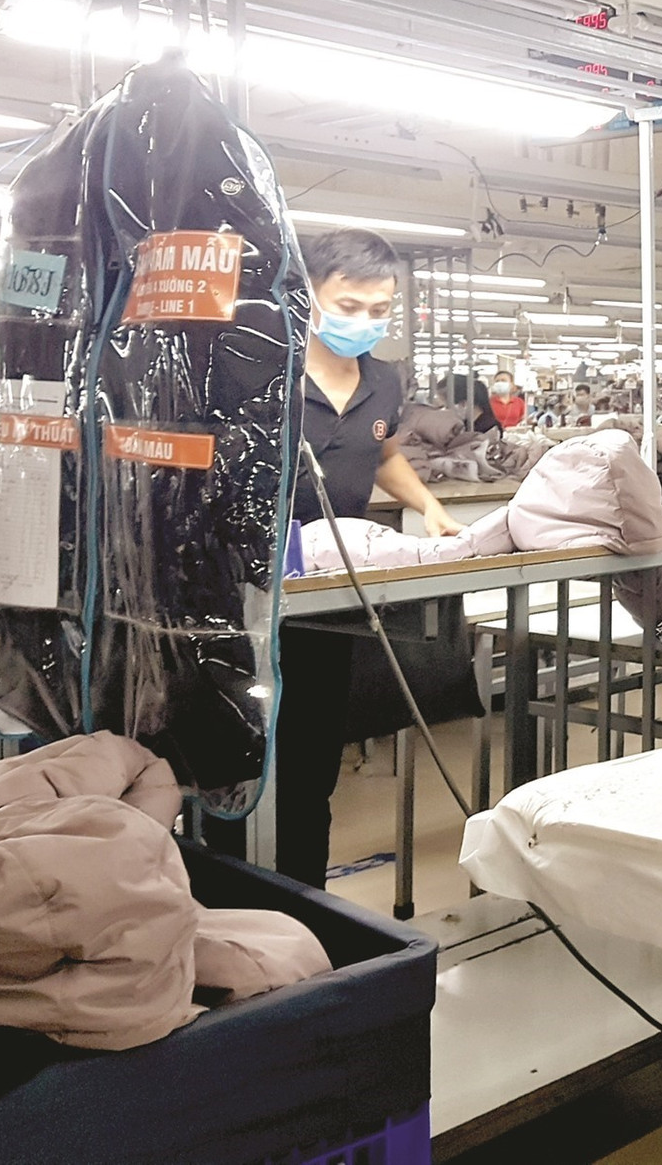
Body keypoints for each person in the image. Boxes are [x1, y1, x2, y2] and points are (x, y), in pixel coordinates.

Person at [219, 228, 465, 889]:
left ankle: (305, 901)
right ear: (310, 296)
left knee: (310, 765)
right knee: (236, 756)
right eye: (349, 306)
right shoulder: (262, 370)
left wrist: (429, 505)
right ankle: (229, 896)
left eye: (379, 311)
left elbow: (382, 456)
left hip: (329, 608)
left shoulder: (383, 381)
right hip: (244, 600)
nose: (364, 322)